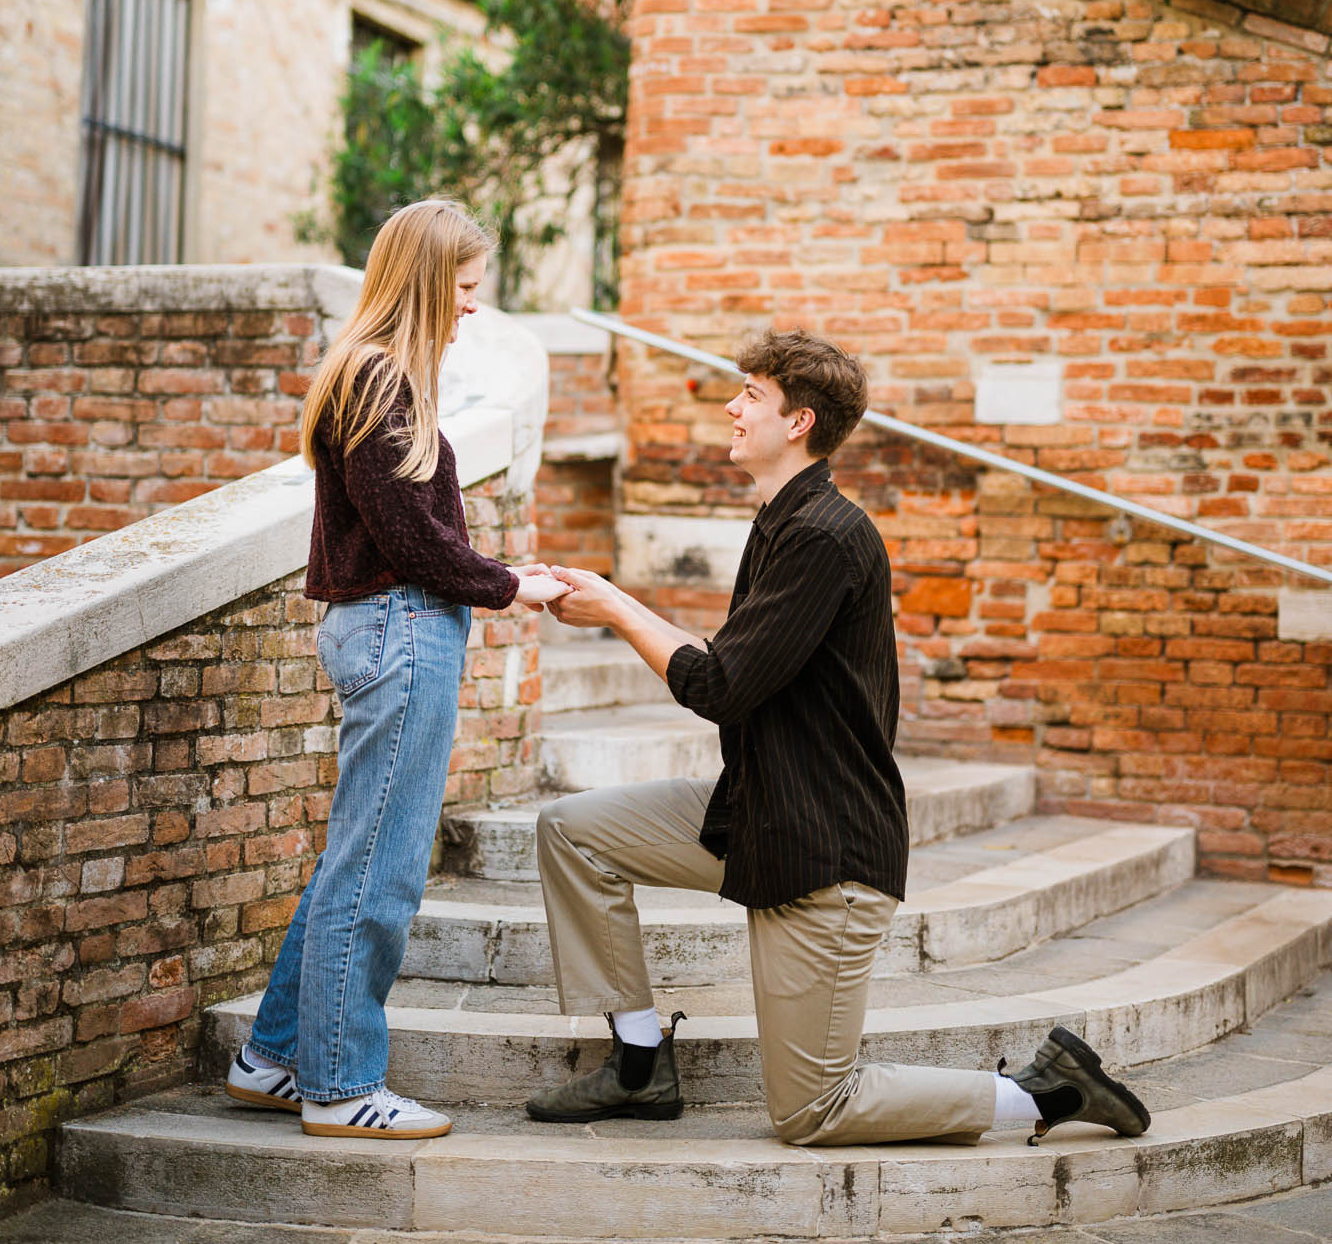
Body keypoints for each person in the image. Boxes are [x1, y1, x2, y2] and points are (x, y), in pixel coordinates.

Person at [525, 327, 1150, 1150]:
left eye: (750, 394)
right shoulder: (787, 520)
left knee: (812, 1111)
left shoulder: (822, 534)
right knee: (575, 833)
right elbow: (736, 664)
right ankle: (641, 1066)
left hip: (826, 854)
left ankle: (1046, 1096)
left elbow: (719, 687)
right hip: (759, 815)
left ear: (799, 422)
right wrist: (618, 601)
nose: (730, 405)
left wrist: (613, 611)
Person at [225, 199, 566, 1141]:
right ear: (422, 283)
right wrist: (511, 586)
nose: (470, 310)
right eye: (461, 291)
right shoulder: (380, 383)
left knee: (357, 854)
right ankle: (340, 1087)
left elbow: (409, 531)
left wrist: (499, 581)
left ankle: (274, 1057)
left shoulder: (376, 377)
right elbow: (411, 539)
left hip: (390, 626)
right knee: (382, 868)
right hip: (400, 628)